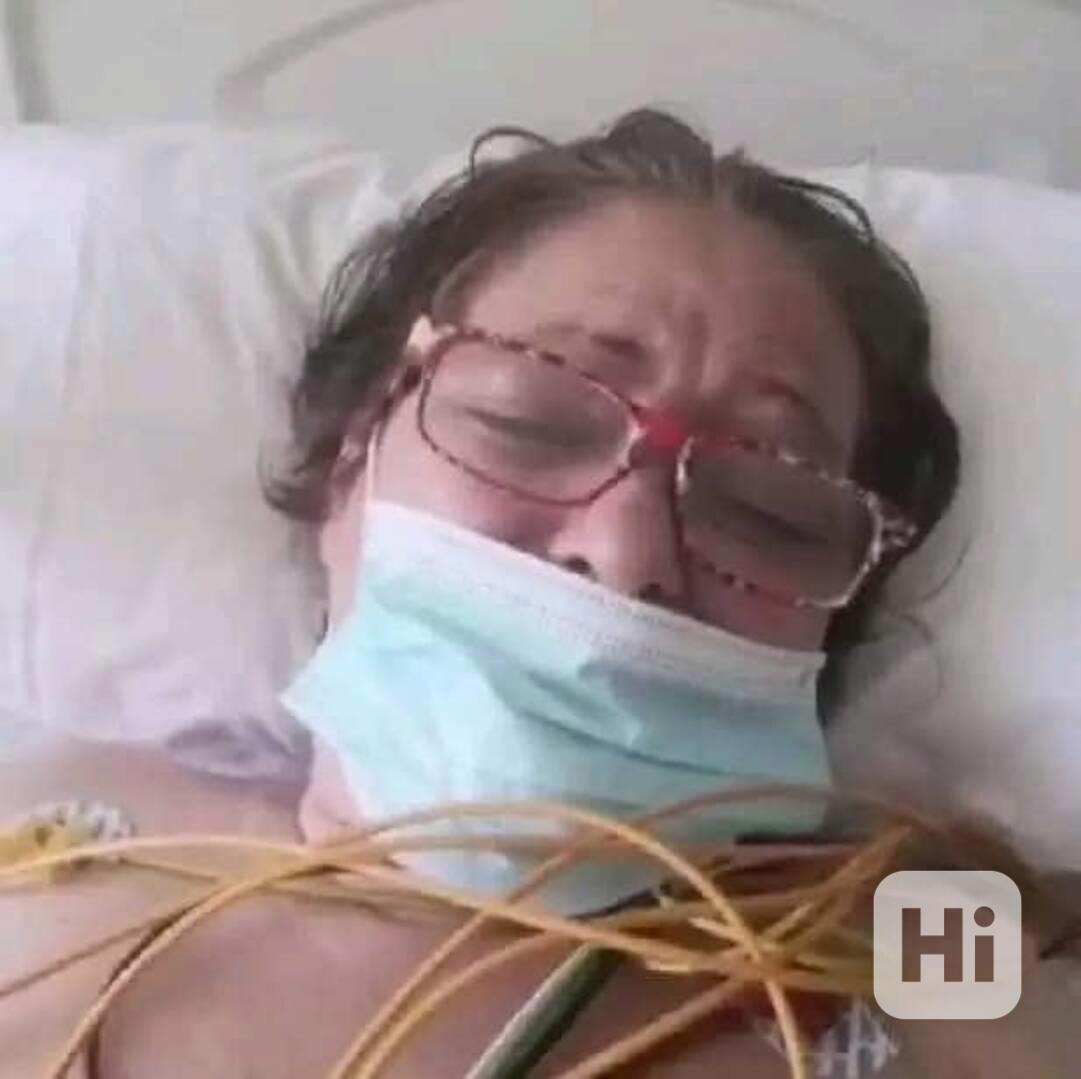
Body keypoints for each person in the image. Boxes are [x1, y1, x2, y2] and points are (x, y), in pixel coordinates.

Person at [1, 109, 1076, 1078]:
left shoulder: (923, 929)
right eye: (532, 422)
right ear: (350, 460)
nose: (625, 554)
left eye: (766, 508)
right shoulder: (60, 835)